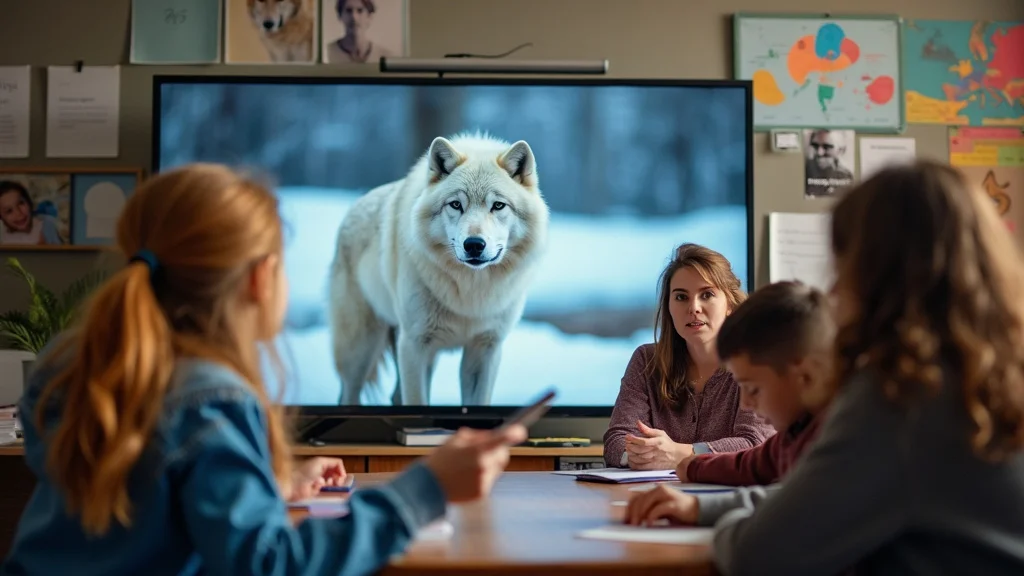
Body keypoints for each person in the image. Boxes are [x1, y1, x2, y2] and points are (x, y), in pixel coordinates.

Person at [0, 163, 526, 576]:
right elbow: (270, 564)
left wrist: (265, 488)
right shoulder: (209, 401)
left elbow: (140, 509)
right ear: (260, 279)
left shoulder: (84, 368)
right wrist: (424, 490)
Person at [632, 160, 1024, 575]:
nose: (834, 289)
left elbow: (757, 553)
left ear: (881, 279)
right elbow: (826, 494)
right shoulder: (986, 374)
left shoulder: (897, 397)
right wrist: (701, 506)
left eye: (845, 265)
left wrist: (725, 522)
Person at [624, 280, 835, 526]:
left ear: (805, 377)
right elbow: (752, 464)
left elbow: (787, 513)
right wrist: (693, 467)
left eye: (753, 389)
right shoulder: (795, 435)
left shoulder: (836, 439)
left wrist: (697, 506)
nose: (746, 402)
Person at [603, 243, 774, 470]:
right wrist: (636, 455)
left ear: (729, 304)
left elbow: (755, 443)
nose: (694, 307)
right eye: (681, 297)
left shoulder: (757, 360)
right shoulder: (646, 360)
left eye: (707, 295)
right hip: (654, 494)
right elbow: (616, 439)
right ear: (669, 307)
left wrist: (684, 453)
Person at [325, 0, 397, 64]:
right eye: (348, 10)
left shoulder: (385, 57)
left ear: (369, 17)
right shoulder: (327, 54)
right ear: (340, 16)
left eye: (360, 11)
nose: (354, 16)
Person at [0, 180, 63, 245]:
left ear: (28, 202)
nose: (18, 213)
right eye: (9, 211)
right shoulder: (5, 241)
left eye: (21, 203)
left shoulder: (46, 224)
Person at [804, 129, 854, 198]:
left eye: (827, 147)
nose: (819, 153)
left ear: (841, 150)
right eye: (815, 146)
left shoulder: (846, 176)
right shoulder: (803, 172)